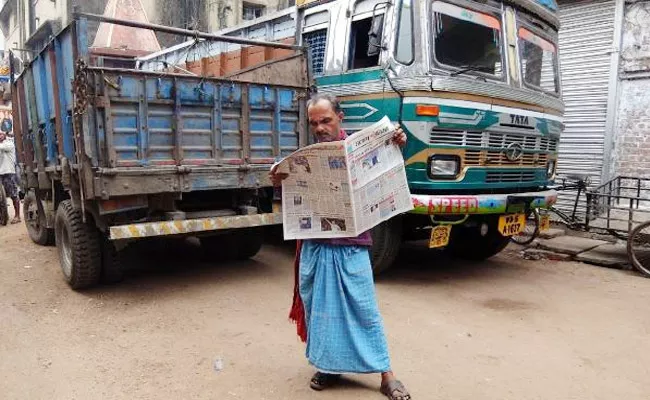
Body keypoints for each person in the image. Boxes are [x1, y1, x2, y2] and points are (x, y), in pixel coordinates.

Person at [270, 94, 411, 400]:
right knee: (319, 312)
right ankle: (328, 367)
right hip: (315, 248)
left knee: (365, 311)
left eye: (326, 120)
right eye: (314, 123)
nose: (320, 128)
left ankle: (386, 373)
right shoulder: (307, 155)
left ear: (340, 117)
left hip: (351, 247)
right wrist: (279, 179)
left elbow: (392, 161)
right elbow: (290, 195)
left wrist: (398, 141)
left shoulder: (360, 148)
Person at [0, 131, 21, 224]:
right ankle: (4, 216)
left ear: (5, 135)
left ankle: (17, 216)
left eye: (1, 134)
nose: (0, 136)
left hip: (9, 172)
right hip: (1, 173)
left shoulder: (8, 144)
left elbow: (2, 147)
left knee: (13, 194)